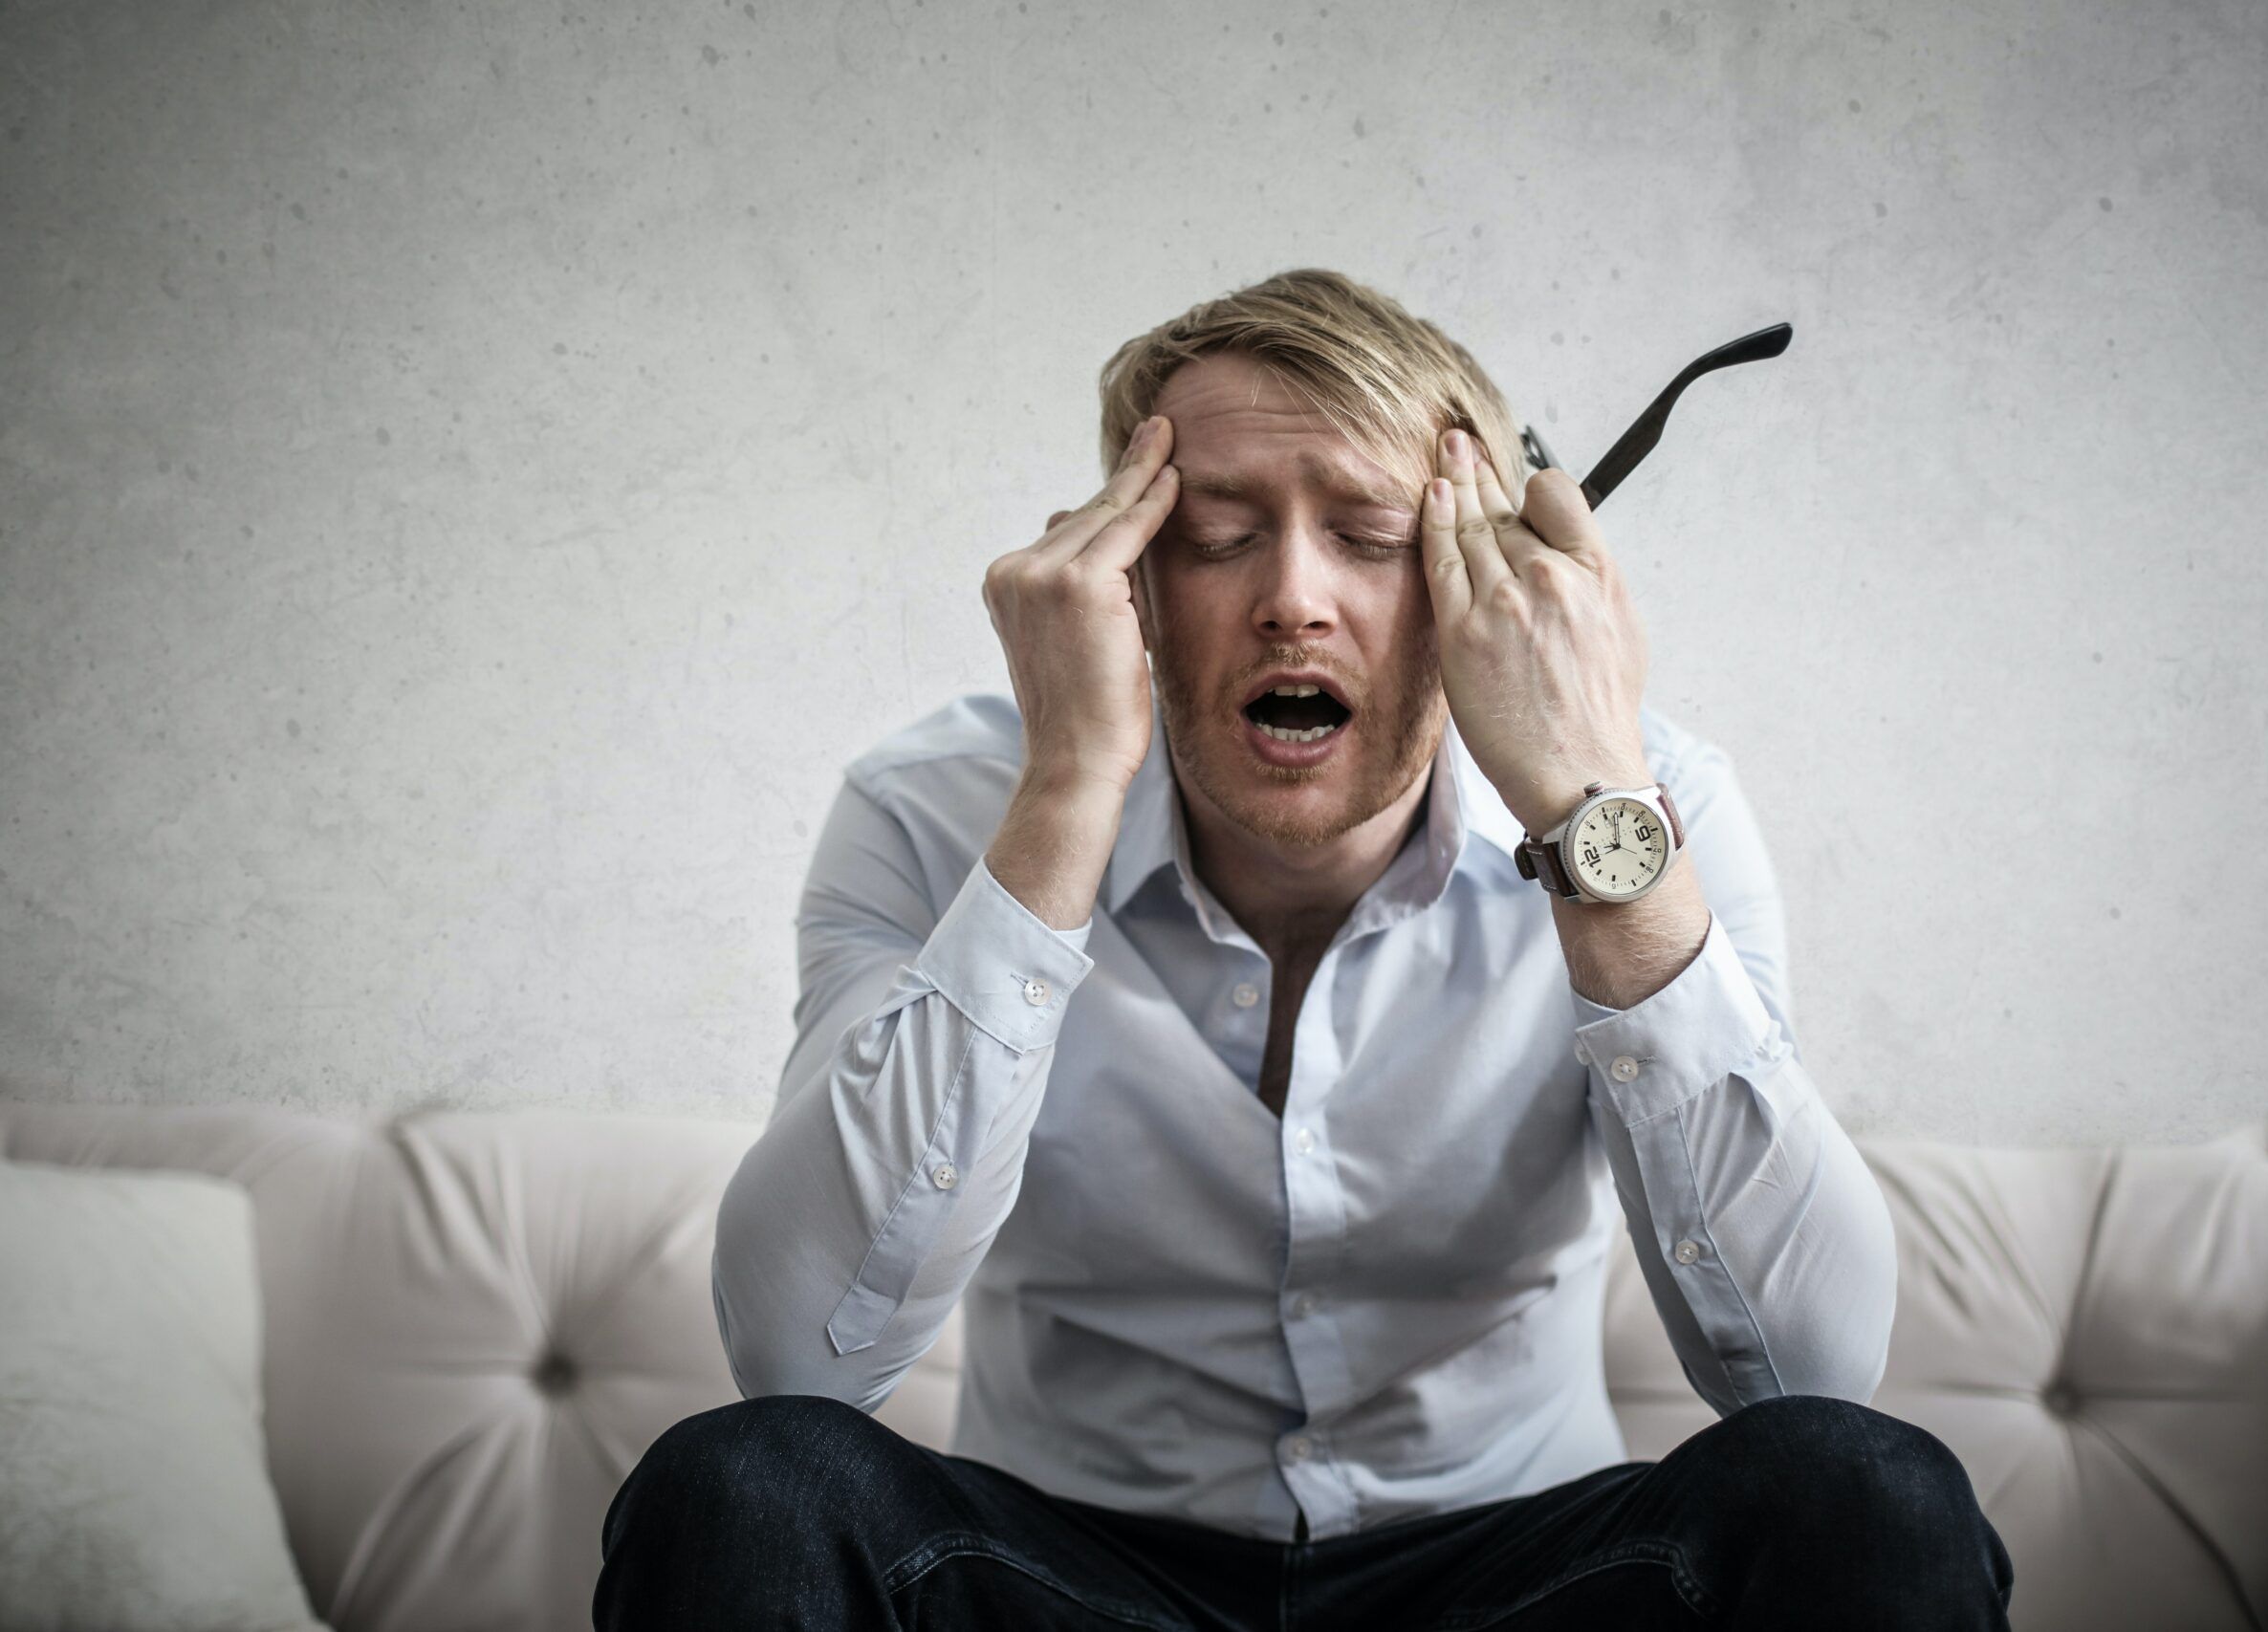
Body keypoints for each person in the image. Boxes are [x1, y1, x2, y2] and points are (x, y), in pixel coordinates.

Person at [596, 269, 2014, 1629]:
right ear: (1130, 585)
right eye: (1215, 537)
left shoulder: (1652, 812)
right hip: (1069, 1576)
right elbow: (793, 1358)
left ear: (1484, 583)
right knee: (743, 1490)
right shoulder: (930, 811)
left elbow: (1814, 1372)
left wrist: (1594, 814)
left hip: (1514, 1580)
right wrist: (1066, 794)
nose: (1292, 598)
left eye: (1375, 537)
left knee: (1865, 1495)